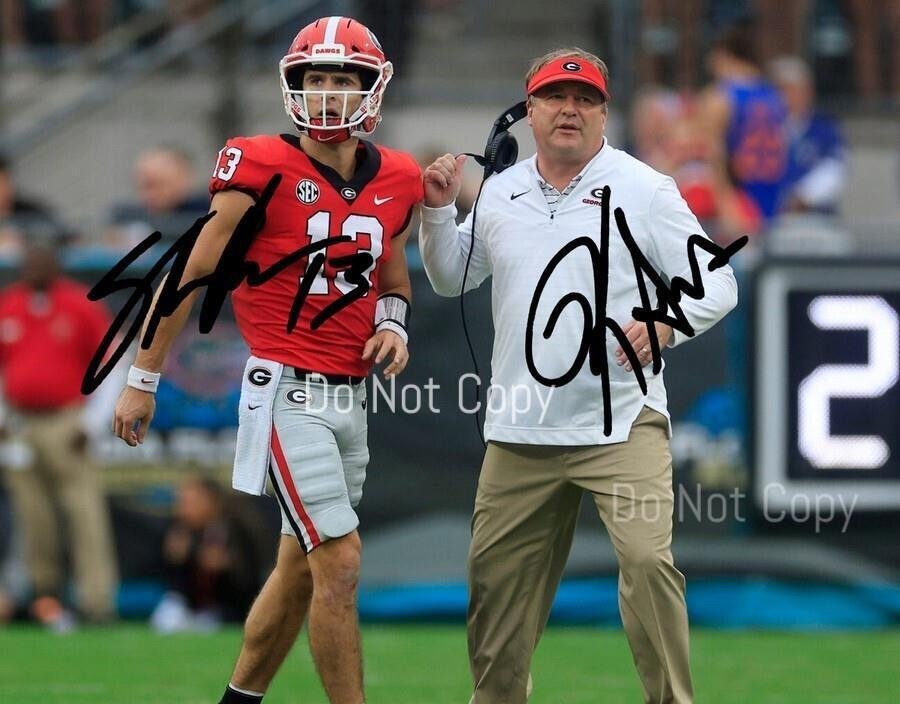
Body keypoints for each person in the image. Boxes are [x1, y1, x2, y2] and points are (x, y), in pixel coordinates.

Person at [111, 15, 422, 704]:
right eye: (317, 78)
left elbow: (394, 281)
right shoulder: (258, 164)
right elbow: (188, 273)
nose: (328, 93)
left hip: (351, 396)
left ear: (371, 89)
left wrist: (393, 326)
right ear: (294, 87)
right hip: (286, 389)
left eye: (344, 79)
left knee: (301, 570)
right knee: (339, 560)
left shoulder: (398, 176)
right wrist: (142, 378)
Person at [419, 48, 738, 704]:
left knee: (648, 563)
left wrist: (666, 321)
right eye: (555, 97)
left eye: (585, 98)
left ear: (603, 112)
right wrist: (437, 212)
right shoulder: (500, 191)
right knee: (495, 595)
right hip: (521, 428)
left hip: (621, 420)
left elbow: (719, 281)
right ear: (528, 109)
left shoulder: (645, 188)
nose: (570, 109)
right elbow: (450, 278)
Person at [0, 232, 118, 626]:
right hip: (21, 422)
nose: (34, 268)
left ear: (56, 265)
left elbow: (111, 363)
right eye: (29, 261)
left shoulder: (79, 304)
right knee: (33, 516)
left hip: (67, 421)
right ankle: (44, 597)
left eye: (42, 261)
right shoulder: (9, 304)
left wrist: (92, 423)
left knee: (84, 512)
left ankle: (96, 601)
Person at [698, 20, 789, 222]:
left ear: (722, 54)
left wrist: (725, 202)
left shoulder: (719, 97)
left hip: (738, 199)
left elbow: (710, 155)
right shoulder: (774, 97)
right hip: (771, 194)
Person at [769, 56, 848, 216]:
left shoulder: (824, 125)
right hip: (771, 214)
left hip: (815, 215)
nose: (788, 97)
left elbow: (835, 167)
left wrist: (803, 196)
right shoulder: (766, 126)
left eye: (794, 90)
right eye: (782, 90)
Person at [104, 145, 210, 250]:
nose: (151, 194)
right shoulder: (126, 216)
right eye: (145, 186)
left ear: (184, 178)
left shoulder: (208, 210)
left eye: (159, 184)